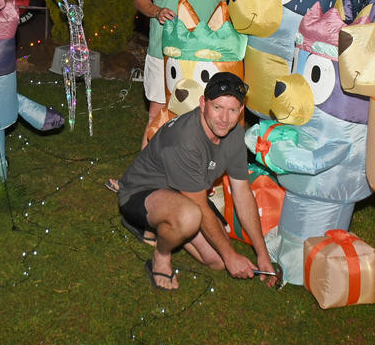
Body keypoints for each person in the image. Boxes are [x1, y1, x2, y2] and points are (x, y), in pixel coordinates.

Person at [116, 72, 276, 290]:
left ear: (240, 111)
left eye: (232, 110)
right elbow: (199, 205)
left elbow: (242, 194)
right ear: (203, 103)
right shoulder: (186, 139)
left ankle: (156, 228)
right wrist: (231, 256)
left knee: (217, 261)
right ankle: (160, 256)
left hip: (184, 192)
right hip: (142, 192)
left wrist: (262, 254)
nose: (224, 118)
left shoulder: (235, 135)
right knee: (190, 217)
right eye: (217, 107)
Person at [134, 0, 238, 147]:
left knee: (210, 119)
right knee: (159, 114)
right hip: (165, 52)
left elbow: (239, 3)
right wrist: (156, 11)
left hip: (207, 55)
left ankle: (203, 181)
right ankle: (142, 181)